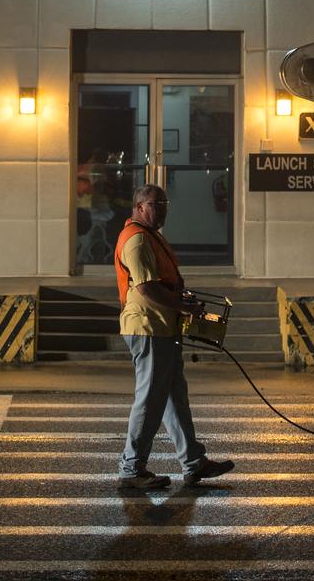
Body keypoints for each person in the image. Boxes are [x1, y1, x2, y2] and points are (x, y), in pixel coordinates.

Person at [114, 183, 235, 490]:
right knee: (150, 400)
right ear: (140, 206)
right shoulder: (138, 240)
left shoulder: (152, 237)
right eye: (157, 203)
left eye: (165, 203)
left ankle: (194, 463)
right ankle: (131, 469)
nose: (164, 208)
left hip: (161, 326)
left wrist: (181, 299)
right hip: (148, 327)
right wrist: (182, 305)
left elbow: (162, 284)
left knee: (173, 398)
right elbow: (146, 289)